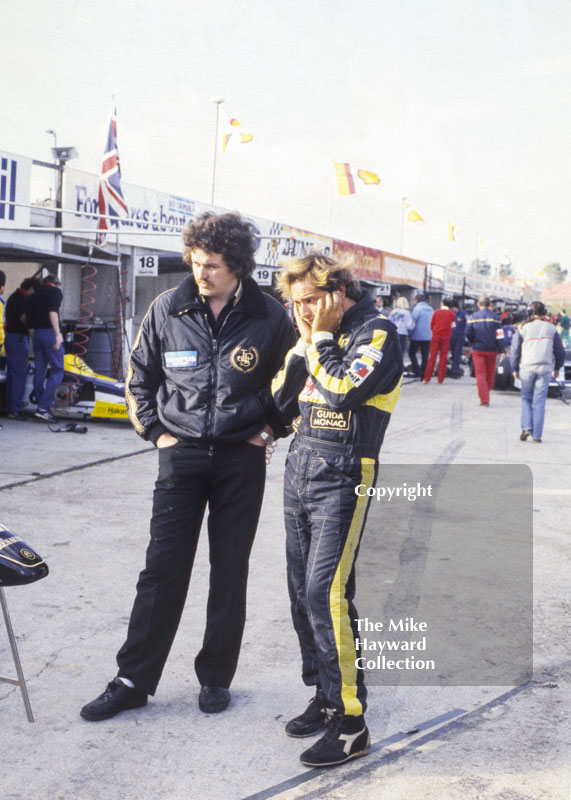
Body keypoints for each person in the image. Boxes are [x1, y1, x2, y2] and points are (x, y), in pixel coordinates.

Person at [80, 212, 295, 722]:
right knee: (162, 568)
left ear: (237, 265)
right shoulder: (167, 309)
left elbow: (293, 383)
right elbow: (138, 378)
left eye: (214, 265)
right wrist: (157, 433)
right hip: (182, 456)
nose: (202, 273)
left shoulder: (269, 316)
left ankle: (215, 678)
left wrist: (270, 431)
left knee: (229, 569)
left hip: (241, 457)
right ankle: (132, 679)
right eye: (197, 263)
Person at [272, 254, 403, 767]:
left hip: (346, 473)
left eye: (309, 301)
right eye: (293, 303)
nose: (300, 312)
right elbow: (280, 403)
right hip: (299, 469)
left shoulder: (378, 332)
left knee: (325, 594)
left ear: (338, 292)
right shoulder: (309, 336)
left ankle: (352, 722)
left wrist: (321, 341)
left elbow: (345, 390)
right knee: (299, 592)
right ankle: (326, 697)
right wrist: (306, 344)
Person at [511, 301, 565, 443]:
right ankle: (537, 436)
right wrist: (557, 368)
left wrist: (514, 368)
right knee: (539, 401)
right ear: (545, 312)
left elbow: (515, 350)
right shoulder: (551, 328)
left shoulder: (522, 328)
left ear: (529, 312)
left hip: (527, 368)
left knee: (526, 398)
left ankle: (526, 427)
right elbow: (559, 351)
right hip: (545, 369)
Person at [27, 273, 64, 422]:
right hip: (49, 333)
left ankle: (40, 405)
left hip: (37, 334)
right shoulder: (55, 292)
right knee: (58, 369)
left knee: (40, 371)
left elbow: (27, 317)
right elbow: (53, 312)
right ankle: (43, 407)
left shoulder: (35, 295)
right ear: (55, 284)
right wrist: (57, 334)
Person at [4, 277, 40, 419]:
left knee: (13, 375)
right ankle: (14, 409)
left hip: (13, 338)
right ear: (30, 289)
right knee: (18, 375)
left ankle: (11, 408)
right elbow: (25, 318)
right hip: (18, 338)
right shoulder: (20, 298)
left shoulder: (15, 296)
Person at [466, 295, 504, 406]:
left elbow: (468, 333)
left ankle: (484, 399)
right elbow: (500, 334)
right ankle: (486, 393)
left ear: (478, 304)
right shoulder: (495, 317)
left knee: (480, 373)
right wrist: (501, 347)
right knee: (490, 372)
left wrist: (473, 341)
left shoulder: (472, 317)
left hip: (478, 349)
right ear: (489, 305)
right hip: (492, 349)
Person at [423, 298, 456, 383]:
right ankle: (440, 379)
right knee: (443, 357)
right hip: (446, 336)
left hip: (436, 335)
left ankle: (427, 378)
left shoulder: (436, 312)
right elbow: (453, 326)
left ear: (442, 303)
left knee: (432, 356)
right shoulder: (452, 314)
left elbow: (431, 324)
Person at [409, 293, 433, 379]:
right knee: (425, 356)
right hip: (428, 336)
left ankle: (417, 371)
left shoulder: (417, 309)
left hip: (416, 335)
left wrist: (410, 334)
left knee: (411, 353)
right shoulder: (431, 309)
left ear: (416, 301)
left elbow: (412, 321)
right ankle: (424, 373)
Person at [449, 301, 468, 378]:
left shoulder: (464, 313)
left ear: (454, 307)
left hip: (460, 337)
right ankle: (455, 368)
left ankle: (456, 371)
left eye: (451, 308)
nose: (451, 309)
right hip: (452, 336)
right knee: (453, 354)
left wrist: (465, 334)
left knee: (457, 354)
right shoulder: (451, 313)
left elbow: (468, 324)